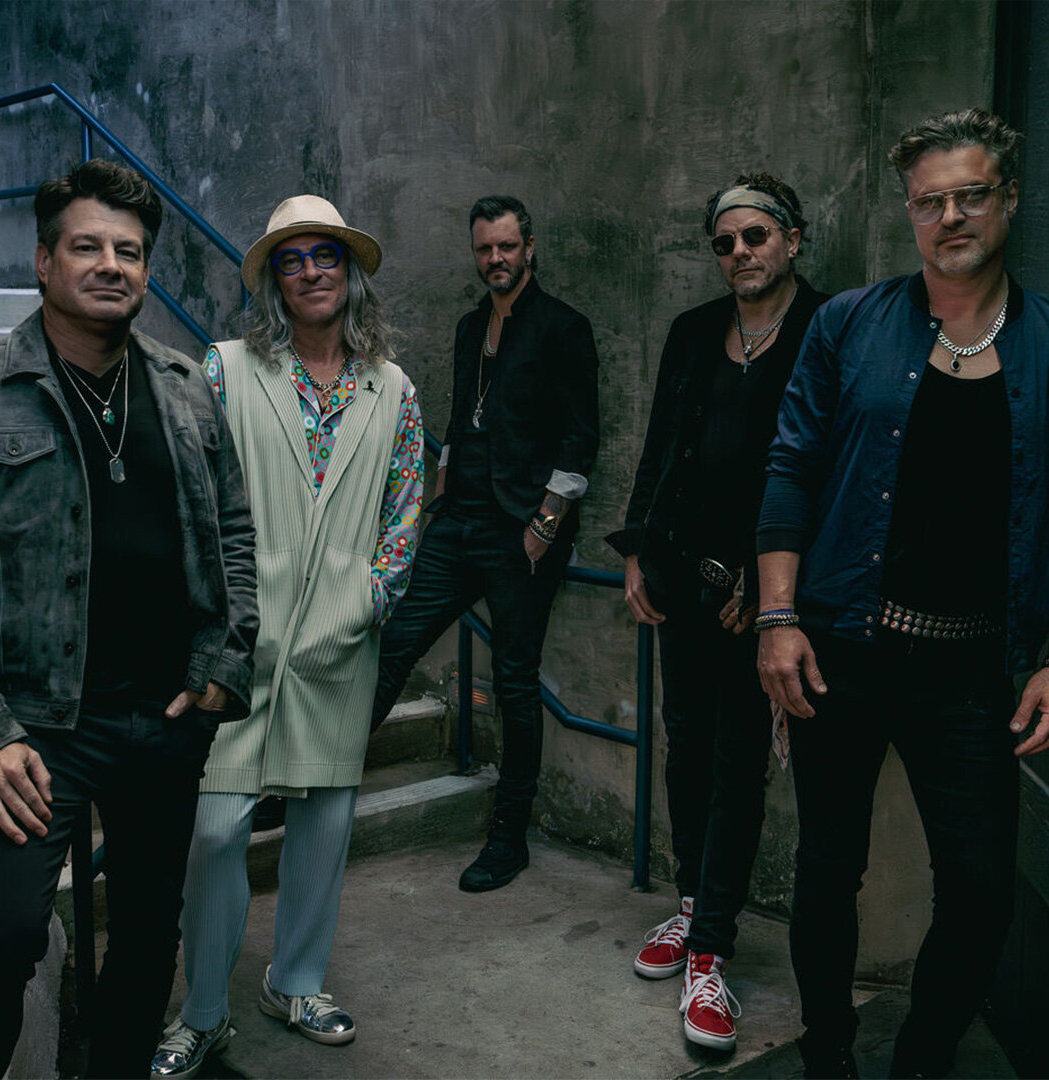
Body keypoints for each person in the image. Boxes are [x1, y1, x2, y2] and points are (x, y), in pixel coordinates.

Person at [756, 107, 1049, 1079]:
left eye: (971, 195)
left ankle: (922, 1059)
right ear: (910, 212)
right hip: (844, 645)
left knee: (980, 889)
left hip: (973, 669)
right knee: (827, 871)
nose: (951, 216)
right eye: (931, 201)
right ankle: (827, 1056)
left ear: (1010, 199)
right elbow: (790, 469)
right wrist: (778, 617)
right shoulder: (849, 324)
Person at [0, 159, 258, 1079]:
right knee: (0, 937)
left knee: (145, 935)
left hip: (163, 719)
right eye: (87, 246)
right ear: (44, 261)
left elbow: (235, 532)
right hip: (31, 731)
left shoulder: (182, 383)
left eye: (128, 252)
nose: (110, 265)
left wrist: (225, 662)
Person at [151, 195, 423, 1077]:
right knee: (215, 831)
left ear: (349, 272)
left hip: (340, 638)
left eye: (325, 256)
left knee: (323, 826)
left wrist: (369, 599)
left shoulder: (393, 388)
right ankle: (202, 1010)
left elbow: (406, 508)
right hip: (240, 638)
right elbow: (192, 490)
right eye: (292, 259)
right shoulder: (225, 368)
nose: (311, 272)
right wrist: (211, 613)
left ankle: (296, 980)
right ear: (274, 279)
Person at [608, 174, 828, 1051]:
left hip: (760, 599)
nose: (740, 253)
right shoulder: (695, 330)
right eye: (725, 242)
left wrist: (777, 593)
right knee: (687, 748)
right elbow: (661, 445)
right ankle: (692, 901)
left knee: (739, 764)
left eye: (755, 236)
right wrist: (637, 548)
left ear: (792, 240)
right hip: (681, 579)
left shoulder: (826, 329)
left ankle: (711, 950)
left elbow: (827, 469)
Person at [370, 195, 599, 893]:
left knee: (514, 681)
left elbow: (581, 437)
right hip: (460, 521)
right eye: (484, 249)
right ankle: (314, 781)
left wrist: (544, 526)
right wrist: (438, 502)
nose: (495, 259)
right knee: (391, 643)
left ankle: (508, 837)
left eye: (506, 246)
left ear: (529, 247)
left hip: (521, 531)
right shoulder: (471, 325)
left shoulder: (563, 327)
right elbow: (458, 422)